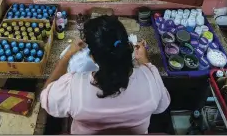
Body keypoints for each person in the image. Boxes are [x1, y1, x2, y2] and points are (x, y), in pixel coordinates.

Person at [40, 15, 170, 134]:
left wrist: (67, 55)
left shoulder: (73, 88)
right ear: (129, 46)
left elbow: (45, 98)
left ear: (92, 57)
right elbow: (161, 106)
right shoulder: (151, 79)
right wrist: (144, 60)